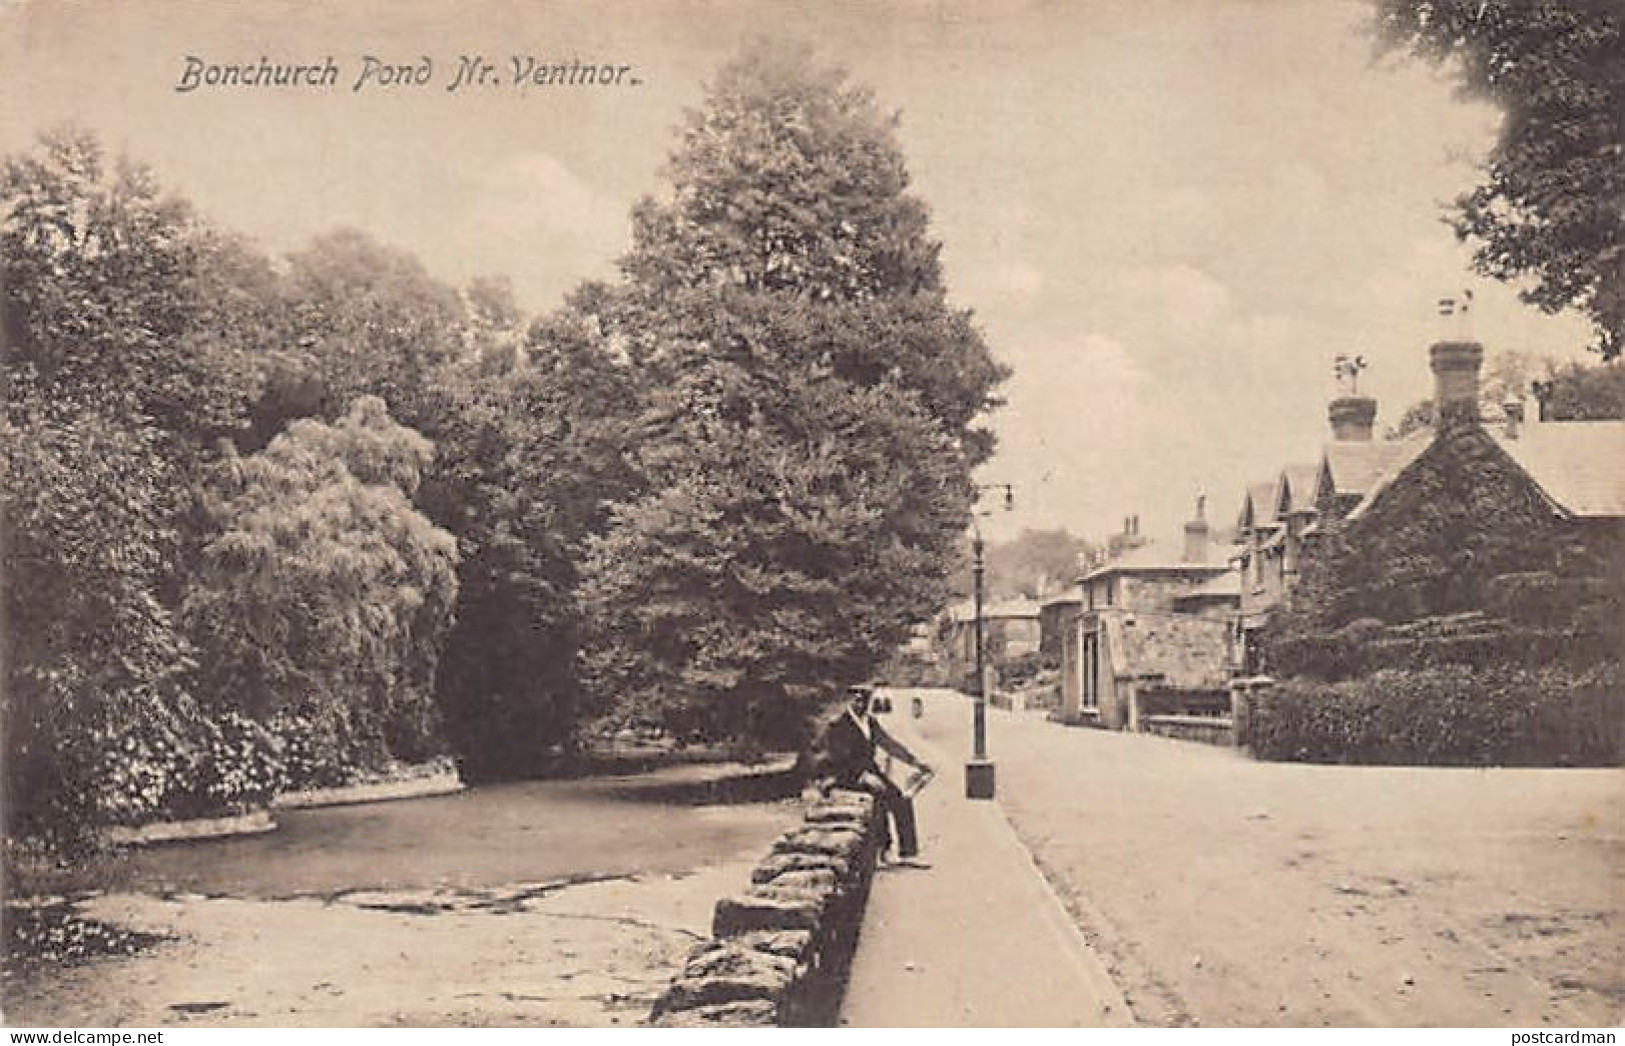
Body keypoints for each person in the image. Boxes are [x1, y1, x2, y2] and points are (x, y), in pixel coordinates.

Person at [815, 685, 934, 866]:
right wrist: (861, 775)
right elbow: (838, 757)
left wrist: (915, 762)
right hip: (846, 775)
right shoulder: (839, 725)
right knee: (879, 799)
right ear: (848, 700)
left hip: (870, 771)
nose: (860, 702)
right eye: (856, 698)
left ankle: (908, 853)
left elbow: (888, 744)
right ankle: (884, 850)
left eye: (864, 698)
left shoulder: (869, 722)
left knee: (900, 799)